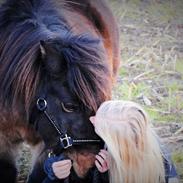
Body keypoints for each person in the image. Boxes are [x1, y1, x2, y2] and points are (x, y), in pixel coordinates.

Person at [45, 100, 178, 183]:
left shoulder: (164, 170)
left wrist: (106, 175)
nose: (91, 119)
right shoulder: (106, 145)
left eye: (99, 126)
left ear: (115, 144)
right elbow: (65, 159)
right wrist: (53, 170)